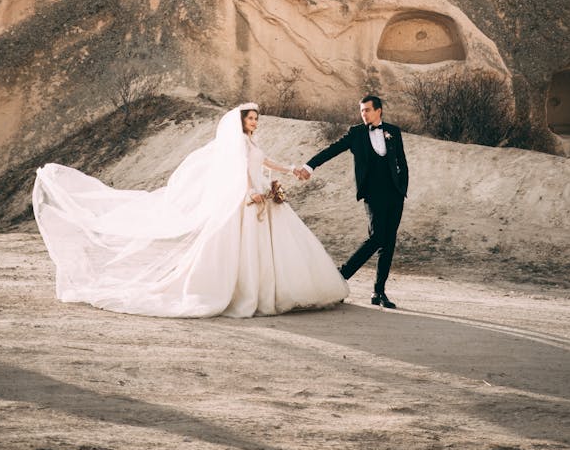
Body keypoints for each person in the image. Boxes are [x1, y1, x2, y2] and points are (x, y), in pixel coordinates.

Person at [32, 103, 347, 318]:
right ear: (240, 121)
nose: (254, 122)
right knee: (245, 250)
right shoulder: (236, 145)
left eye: (255, 119)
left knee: (275, 248)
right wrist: (253, 191)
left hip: (261, 196)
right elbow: (243, 172)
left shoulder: (252, 144)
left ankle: (277, 293)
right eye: (250, 118)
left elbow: (264, 162)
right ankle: (252, 295)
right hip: (249, 200)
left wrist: (291, 169)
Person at [297, 94, 408, 308]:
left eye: (367, 110)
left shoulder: (393, 131)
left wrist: (402, 187)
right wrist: (310, 166)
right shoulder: (356, 133)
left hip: (394, 194)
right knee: (377, 237)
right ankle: (341, 276)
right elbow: (332, 150)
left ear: (379, 111)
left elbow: (401, 161)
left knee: (389, 242)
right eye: (361, 111)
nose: (363, 114)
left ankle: (379, 292)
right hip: (373, 194)